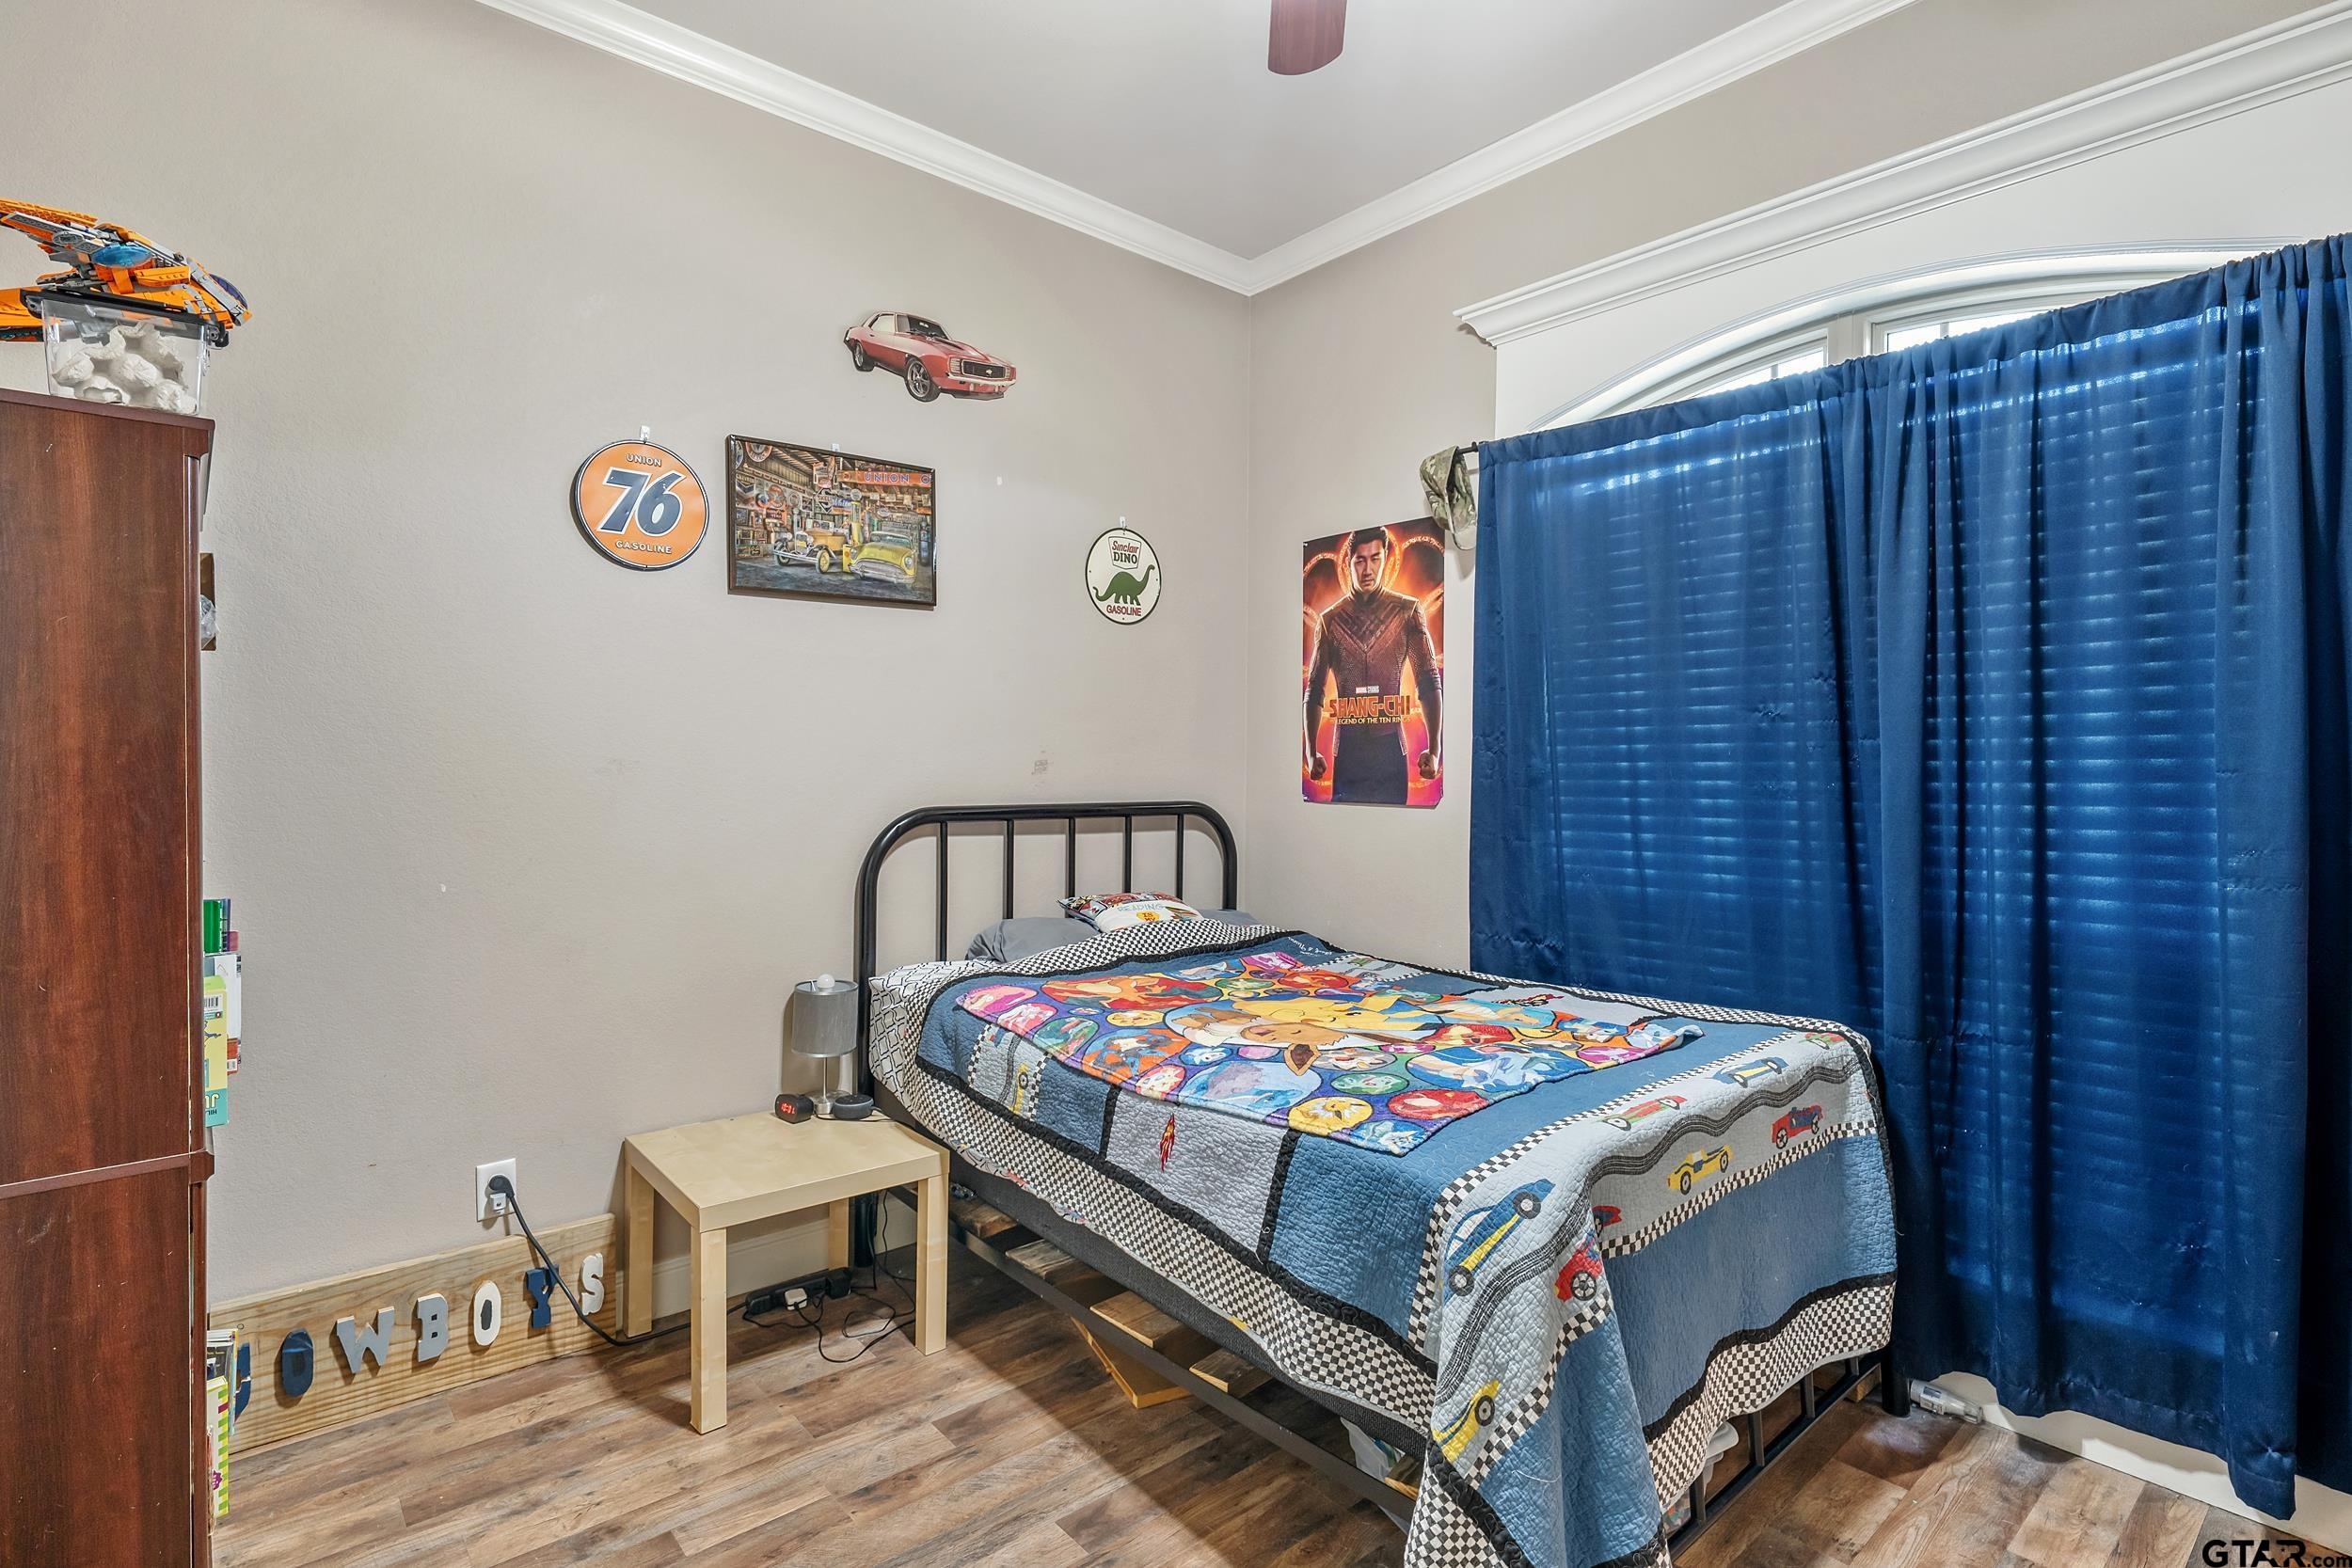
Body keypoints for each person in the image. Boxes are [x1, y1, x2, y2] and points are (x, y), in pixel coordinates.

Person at [1304, 527, 1441, 804]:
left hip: (1390, 751)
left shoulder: (1408, 611)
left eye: (1375, 558)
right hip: (1348, 754)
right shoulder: (1330, 620)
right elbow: (1314, 691)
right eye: (1361, 560)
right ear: (1349, 562)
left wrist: (1435, 749)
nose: (1368, 568)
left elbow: (1428, 682)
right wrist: (1310, 750)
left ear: (1386, 559)